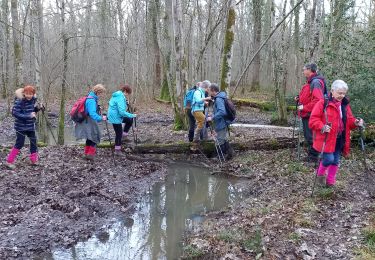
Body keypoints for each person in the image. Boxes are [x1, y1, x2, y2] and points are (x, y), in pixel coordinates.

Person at [309, 80, 364, 187]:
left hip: (340, 138)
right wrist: (322, 126)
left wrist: (356, 122)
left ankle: (330, 182)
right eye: (339, 93)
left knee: (336, 161)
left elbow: (349, 120)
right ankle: (320, 176)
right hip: (327, 138)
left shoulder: (345, 105)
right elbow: (313, 120)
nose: (342, 95)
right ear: (332, 91)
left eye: (344, 93)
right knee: (329, 159)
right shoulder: (323, 103)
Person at [6, 85, 44, 169]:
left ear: (33, 94)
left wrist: (39, 108)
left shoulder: (33, 101)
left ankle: (34, 160)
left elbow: (32, 111)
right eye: (27, 93)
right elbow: (15, 114)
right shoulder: (19, 101)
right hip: (20, 127)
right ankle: (9, 161)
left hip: (30, 126)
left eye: (31, 94)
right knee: (20, 143)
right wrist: (28, 116)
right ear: (24, 93)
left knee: (34, 142)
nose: (29, 95)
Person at [296, 63, 327, 162]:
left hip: (311, 114)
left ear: (310, 70)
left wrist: (303, 107)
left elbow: (318, 100)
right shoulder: (311, 82)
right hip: (308, 114)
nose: (303, 71)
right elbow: (310, 97)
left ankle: (313, 158)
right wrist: (299, 98)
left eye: (304, 69)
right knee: (309, 136)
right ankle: (312, 156)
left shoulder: (316, 82)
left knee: (310, 137)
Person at [75, 84, 107, 159]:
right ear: (98, 92)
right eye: (101, 93)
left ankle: (87, 154)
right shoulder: (91, 100)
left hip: (87, 120)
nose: (102, 95)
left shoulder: (90, 97)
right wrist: (101, 118)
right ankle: (90, 155)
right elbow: (92, 114)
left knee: (90, 138)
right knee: (95, 137)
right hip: (89, 121)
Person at [207, 83, 234, 160]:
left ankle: (220, 157)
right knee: (223, 139)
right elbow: (220, 110)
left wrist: (212, 117)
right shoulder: (221, 97)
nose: (208, 92)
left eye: (209, 91)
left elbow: (222, 112)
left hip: (221, 122)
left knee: (220, 140)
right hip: (223, 121)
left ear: (213, 91)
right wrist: (213, 114)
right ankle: (230, 154)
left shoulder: (218, 99)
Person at [107, 84, 136, 152]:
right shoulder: (120, 97)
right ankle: (117, 150)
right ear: (125, 91)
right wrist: (132, 115)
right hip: (115, 117)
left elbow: (120, 107)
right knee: (118, 133)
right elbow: (122, 112)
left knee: (129, 120)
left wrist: (126, 103)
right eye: (127, 93)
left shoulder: (119, 95)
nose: (127, 95)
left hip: (116, 115)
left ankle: (124, 136)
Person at [191, 80, 211, 146]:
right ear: (206, 87)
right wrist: (206, 99)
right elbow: (198, 100)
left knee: (200, 123)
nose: (209, 89)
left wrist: (205, 102)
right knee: (204, 120)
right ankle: (196, 139)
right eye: (208, 88)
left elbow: (200, 101)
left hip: (199, 110)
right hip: (196, 110)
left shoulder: (201, 92)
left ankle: (196, 139)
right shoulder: (197, 92)